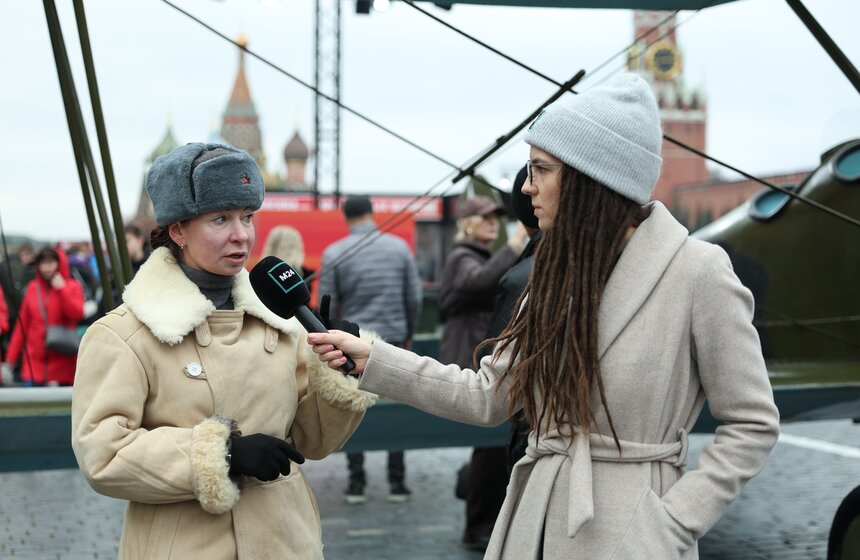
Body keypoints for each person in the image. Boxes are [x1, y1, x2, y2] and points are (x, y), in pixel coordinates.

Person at [308, 73, 780, 559]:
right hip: (534, 522)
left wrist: (674, 522)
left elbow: (752, 423)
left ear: (587, 178)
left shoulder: (698, 272)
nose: (527, 188)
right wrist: (373, 359)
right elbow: (488, 397)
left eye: (540, 170)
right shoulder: (554, 271)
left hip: (636, 534)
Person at [71, 142, 376, 559]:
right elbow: (103, 454)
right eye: (220, 219)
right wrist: (221, 454)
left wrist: (337, 376)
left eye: (247, 217)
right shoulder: (124, 334)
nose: (241, 235)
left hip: (286, 543)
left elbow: (312, 441)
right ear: (177, 230)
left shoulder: (283, 323)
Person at [317, 194, 422, 504]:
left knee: (356, 407)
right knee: (398, 407)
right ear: (372, 214)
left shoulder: (334, 253)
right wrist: (408, 333)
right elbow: (414, 298)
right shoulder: (400, 249)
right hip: (394, 340)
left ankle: (356, 482)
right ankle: (397, 482)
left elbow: (327, 304)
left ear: (346, 218)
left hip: (353, 343)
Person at [437, 193, 527, 550]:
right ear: (470, 223)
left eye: (496, 218)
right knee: (487, 449)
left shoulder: (475, 255)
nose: (494, 223)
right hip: (467, 359)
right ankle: (477, 526)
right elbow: (481, 281)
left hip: (477, 357)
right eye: (487, 217)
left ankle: (484, 521)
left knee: (489, 449)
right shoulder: (462, 257)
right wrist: (517, 242)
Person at [4, 246, 85, 386]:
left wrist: (62, 290)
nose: (47, 267)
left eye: (51, 262)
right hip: (33, 364)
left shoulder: (72, 286)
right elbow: (22, 325)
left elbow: (77, 313)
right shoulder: (32, 287)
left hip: (63, 363)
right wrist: (11, 358)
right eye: (43, 263)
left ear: (59, 264)